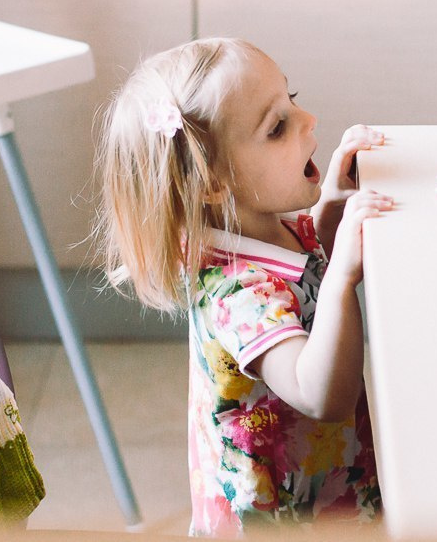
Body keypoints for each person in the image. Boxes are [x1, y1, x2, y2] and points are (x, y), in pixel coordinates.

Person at [95, 38, 388, 533]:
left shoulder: (264, 224)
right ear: (213, 183)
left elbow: (304, 268)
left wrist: (332, 208)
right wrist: (343, 277)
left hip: (321, 484)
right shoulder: (237, 294)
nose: (308, 120)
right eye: (277, 127)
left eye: (291, 99)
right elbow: (320, 394)